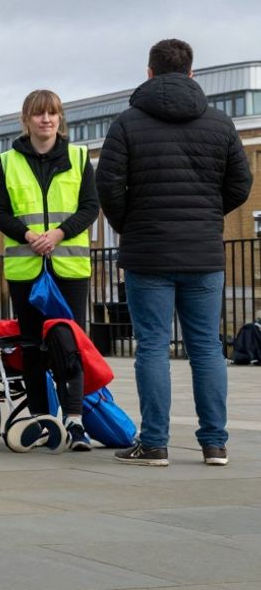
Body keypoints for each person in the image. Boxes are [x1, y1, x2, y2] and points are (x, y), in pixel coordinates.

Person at [96, 39, 252, 467]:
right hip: (203, 254)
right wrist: (207, 215)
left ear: (149, 72)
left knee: (152, 346)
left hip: (148, 254)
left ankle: (155, 444)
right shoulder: (220, 123)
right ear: (191, 73)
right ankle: (215, 444)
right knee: (206, 347)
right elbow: (241, 184)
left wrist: (131, 224)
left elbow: (108, 186)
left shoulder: (127, 123)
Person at [0, 90, 99, 451]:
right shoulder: (8, 161)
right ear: (26, 119)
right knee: (32, 347)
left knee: (70, 344)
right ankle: (41, 420)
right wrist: (29, 235)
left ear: (59, 117)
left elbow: (90, 207)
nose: (46, 120)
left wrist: (58, 234)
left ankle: (75, 421)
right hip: (26, 267)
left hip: (69, 265)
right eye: (39, 114)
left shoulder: (79, 156)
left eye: (52, 113)